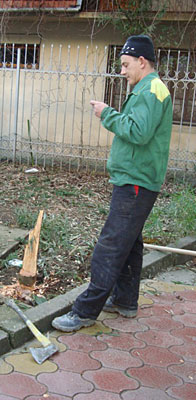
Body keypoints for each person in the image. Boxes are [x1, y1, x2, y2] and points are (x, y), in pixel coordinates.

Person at [52, 35, 173, 332]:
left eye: (125, 64)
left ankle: (85, 311)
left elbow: (138, 132)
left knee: (111, 244)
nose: (122, 70)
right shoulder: (149, 88)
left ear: (142, 62)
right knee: (130, 242)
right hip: (137, 179)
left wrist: (107, 114)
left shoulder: (151, 90)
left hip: (136, 181)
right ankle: (125, 301)